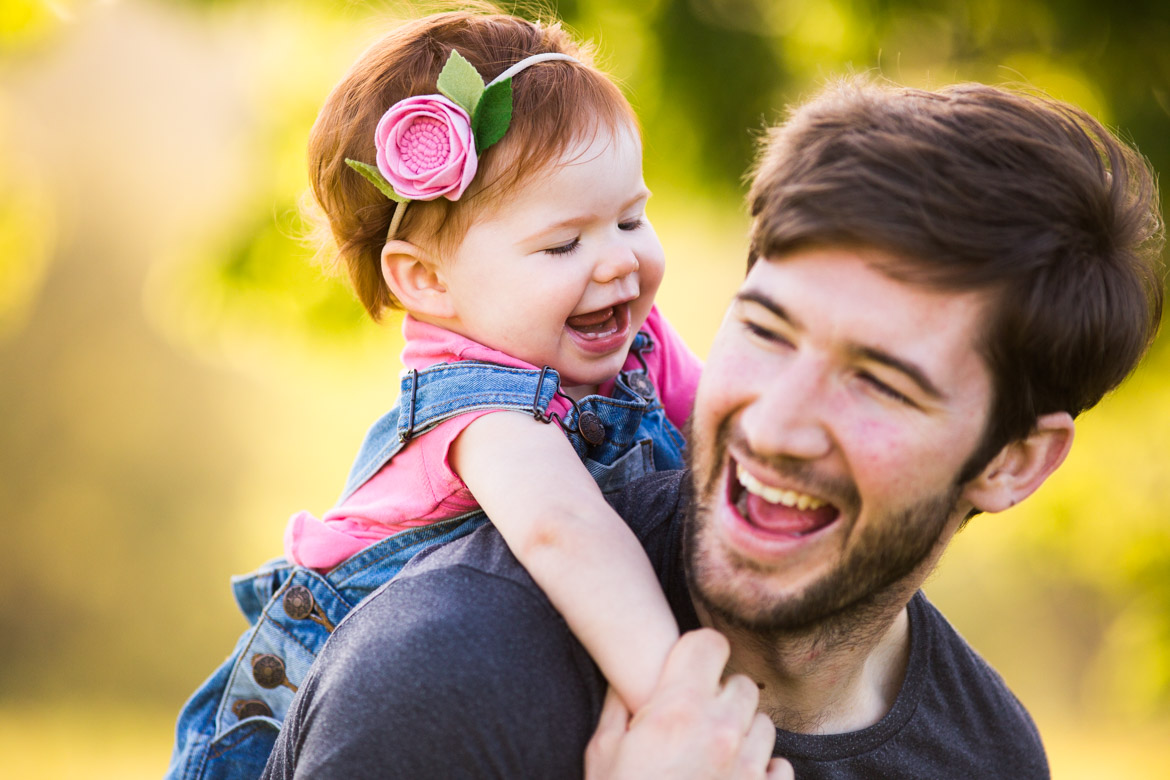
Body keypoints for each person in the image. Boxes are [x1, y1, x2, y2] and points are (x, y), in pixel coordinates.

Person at [261, 76, 1164, 779]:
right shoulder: (447, 674)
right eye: (767, 331)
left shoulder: (989, 757)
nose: (773, 426)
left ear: (1012, 462)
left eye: (879, 383)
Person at [166, 9, 711, 780]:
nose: (618, 262)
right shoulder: (475, 406)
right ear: (427, 280)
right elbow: (565, 530)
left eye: (631, 217)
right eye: (564, 243)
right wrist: (679, 705)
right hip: (326, 703)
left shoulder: (635, 335)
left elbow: (725, 425)